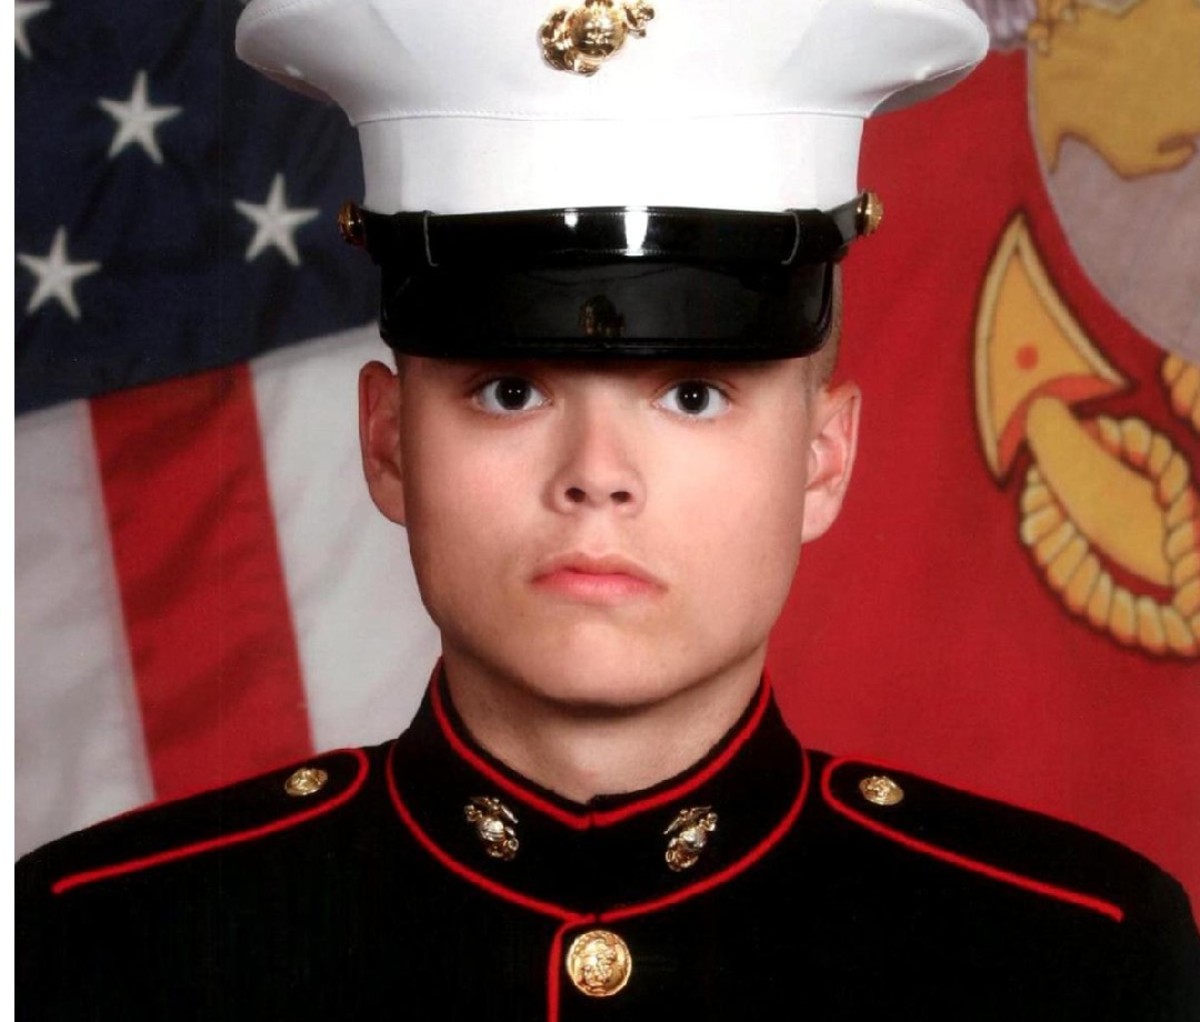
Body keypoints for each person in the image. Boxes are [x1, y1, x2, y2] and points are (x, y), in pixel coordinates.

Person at [17, 1, 1200, 1018]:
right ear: (387, 441)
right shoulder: (93, 951)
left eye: (692, 393)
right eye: (510, 388)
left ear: (823, 459)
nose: (596, 473)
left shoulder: (1074, 963)